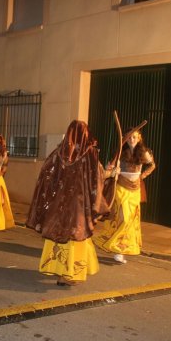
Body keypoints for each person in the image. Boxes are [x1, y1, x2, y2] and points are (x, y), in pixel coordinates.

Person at [26, 120, 114, 286]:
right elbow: (98, 177)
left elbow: (46, 173)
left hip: (59, 204)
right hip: (79, 206)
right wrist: (111, 172)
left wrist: (48, 198)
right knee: (76, 234)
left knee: (60, 233)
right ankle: (69, 274)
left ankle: (58, 268)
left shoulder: (58, 153)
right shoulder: (90, 154)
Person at [93, 122, 156, 264]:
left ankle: (118, 249)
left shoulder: (144, 152)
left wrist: (142, 175)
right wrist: (111, 169)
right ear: (125, 139)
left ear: (139, 138)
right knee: (125, 219)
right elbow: (109, 169)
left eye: (135, 137)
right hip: (121, 188)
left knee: (131, 222)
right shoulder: (121, 152)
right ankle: (115, 247)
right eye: (129, 137)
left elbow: (152, 165)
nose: (132, 139)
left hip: (135, 190)